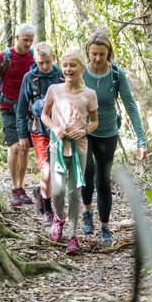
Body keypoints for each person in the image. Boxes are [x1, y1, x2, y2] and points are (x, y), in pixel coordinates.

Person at [81, 31, 148, 245]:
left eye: (102, 54)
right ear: (87, 53)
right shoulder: (80, 72)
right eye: (94, 54)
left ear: (109, 53)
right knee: (87, 171)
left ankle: (105, 227)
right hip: (83, 131)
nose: (98, 59)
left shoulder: (116, 74)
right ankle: (87, 212)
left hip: (108, 132)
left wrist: (141, 139)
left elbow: (130, 106)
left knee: (103, 178)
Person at [41, 48, 98, 255]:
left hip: (79, 149)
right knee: (58, 191)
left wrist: (83, 131)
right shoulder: (54, 90)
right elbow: (44, 116)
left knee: (74, 193)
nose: (68, 69)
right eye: (65, 65)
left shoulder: (89, 94)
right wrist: (55, 128)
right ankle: (58, 218)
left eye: (73, 65)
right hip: (57, 147)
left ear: (82, 68)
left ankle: (73, 235)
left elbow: (94, 122)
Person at [0, 23, 35, 207]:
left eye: (31, 41)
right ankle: (14, 188)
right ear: (17, 38)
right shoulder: (4, 58)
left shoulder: (33, 58)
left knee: (25, 148)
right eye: (25, 40)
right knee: (15, 148)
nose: (28, 44)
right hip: (8, 107)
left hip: (27, 109)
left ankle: (21, 187)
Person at [16, 42, 63, 227]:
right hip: (38, 131)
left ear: (54, 57)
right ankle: (48, 211)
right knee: (46, 170)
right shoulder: (29, 78)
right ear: (34, 60)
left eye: (47, 62)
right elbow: (21, 110)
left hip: (59, 131)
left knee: (58, 171)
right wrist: (22, 136)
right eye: (40, 62)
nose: (44, 66)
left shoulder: (61, 75)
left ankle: (41, 194)